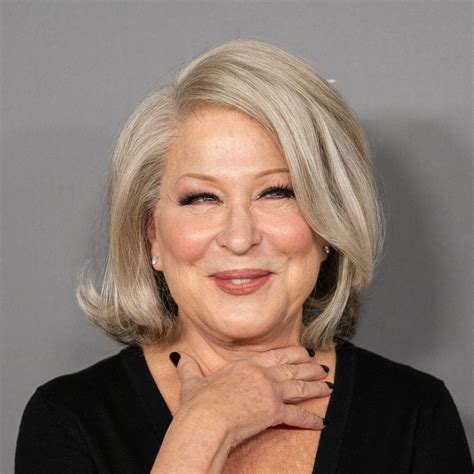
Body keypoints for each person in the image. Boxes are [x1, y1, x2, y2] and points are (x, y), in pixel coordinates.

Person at [15, 39, 472, 474]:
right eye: (202, 198)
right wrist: (204, 428)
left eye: (276, 193)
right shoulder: (68, 420)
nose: (239, 238)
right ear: (152, 235)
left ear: (327, 225)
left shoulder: (416, 416)